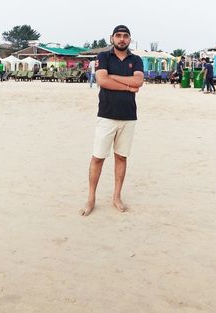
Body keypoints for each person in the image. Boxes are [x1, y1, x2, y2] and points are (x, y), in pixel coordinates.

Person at [80, 25, 144, 216]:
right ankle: (91, 199)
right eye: (118, 36)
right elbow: (102, 80)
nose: (121, 39)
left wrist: (113, 77)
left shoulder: (137, 59)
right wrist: (127, 85)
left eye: (125, 36)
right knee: (98, 158)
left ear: (129, 40)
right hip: (106, 115)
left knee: (121, 157)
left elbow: (138, 82)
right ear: (112, 38)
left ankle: (116, 197)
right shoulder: (104, 57)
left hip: (129, 116)